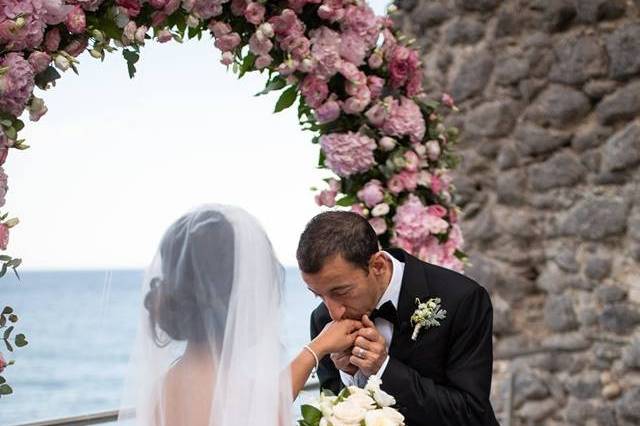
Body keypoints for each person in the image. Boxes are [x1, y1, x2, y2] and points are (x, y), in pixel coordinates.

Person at [117, 205, 361, 426]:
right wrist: (316, 349)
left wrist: (317, 348)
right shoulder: (238, 394)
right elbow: (265, 409)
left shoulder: (163, 387)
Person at [299, 211, 499, 426]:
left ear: (378, 266)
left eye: (342, 291)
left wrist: (383, 368)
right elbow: (329, 413)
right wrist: (349, 374)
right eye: (318, 294)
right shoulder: (322, 321)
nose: (333, 313)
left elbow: (470, 412)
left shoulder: (462, 299)